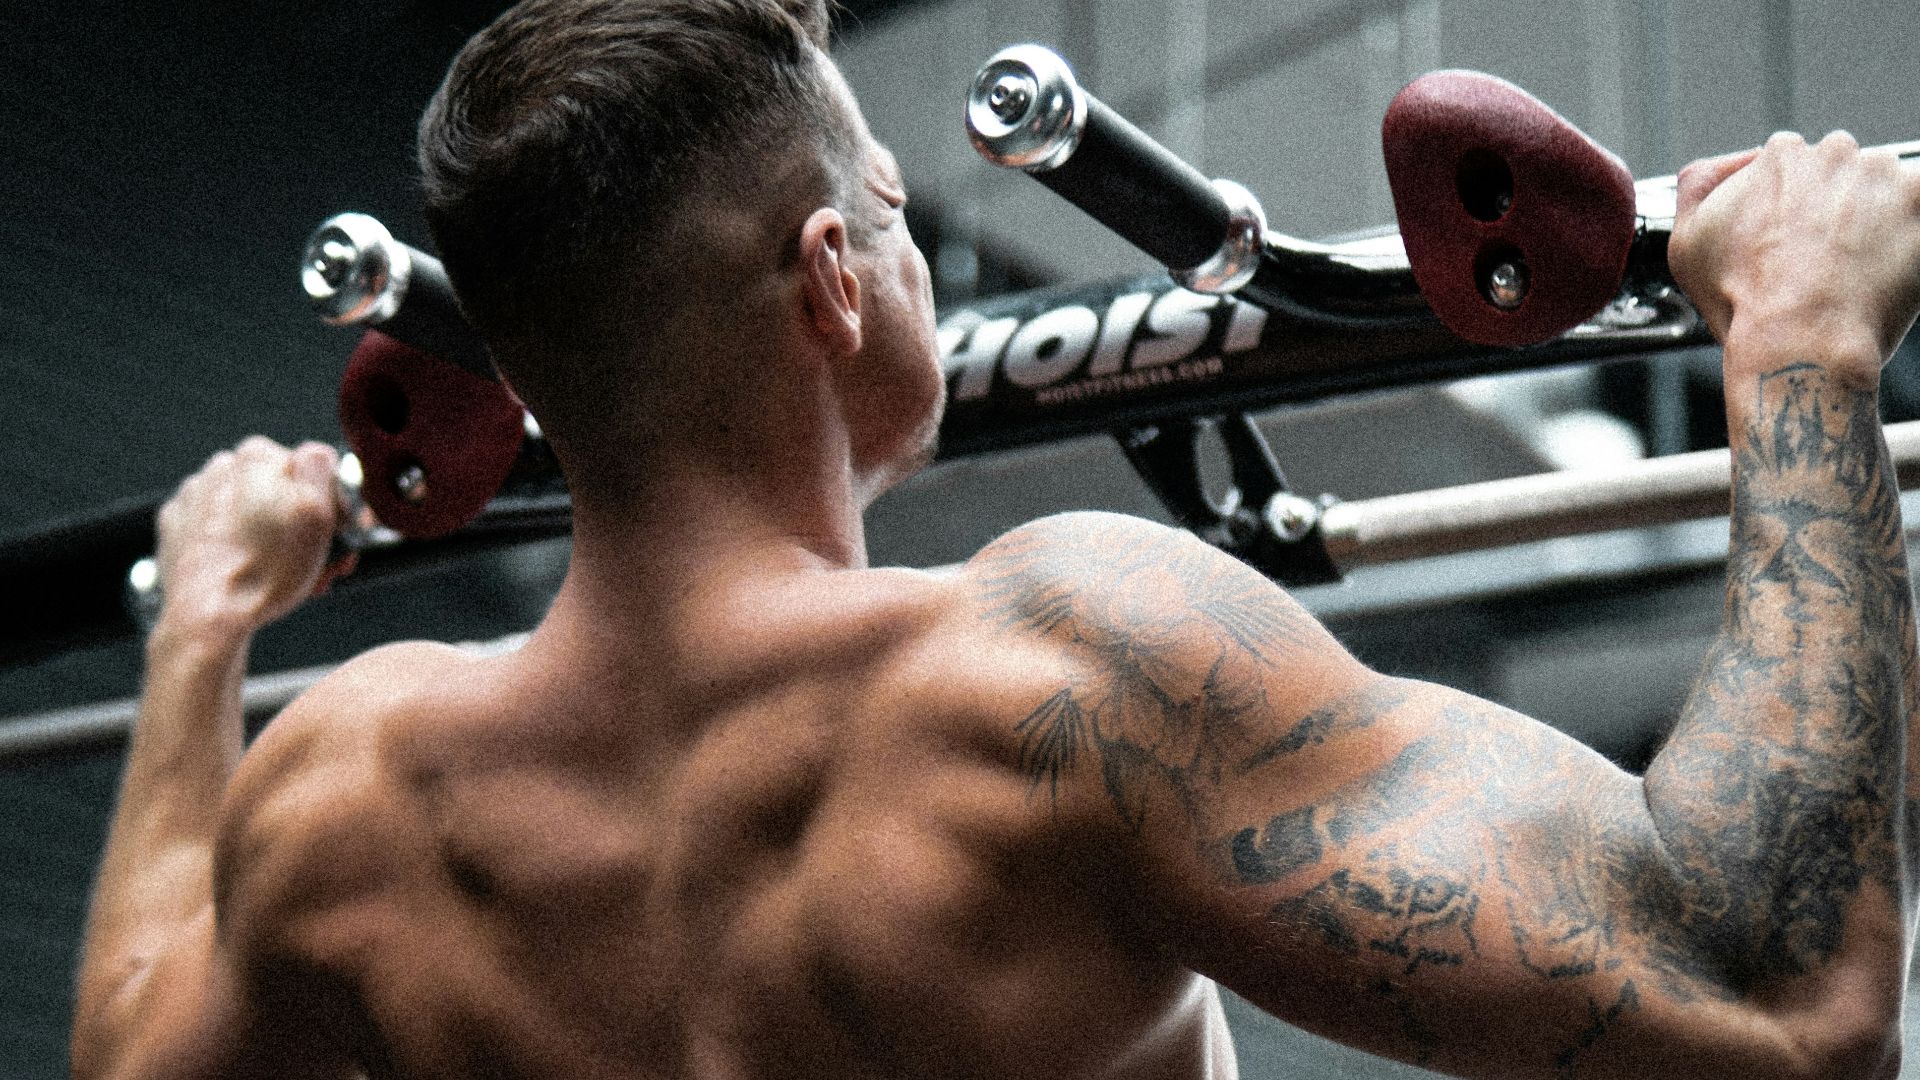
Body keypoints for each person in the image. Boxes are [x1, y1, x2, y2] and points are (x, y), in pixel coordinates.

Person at [68, 0, 1920, 1076]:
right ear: (826, 279)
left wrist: (200, 636)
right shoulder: (1046, 678)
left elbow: (132, 1040)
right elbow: (1782, 1002)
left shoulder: (343, 794)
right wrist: (1808, 340)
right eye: (888, 213)